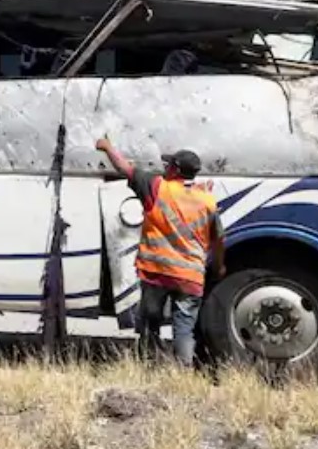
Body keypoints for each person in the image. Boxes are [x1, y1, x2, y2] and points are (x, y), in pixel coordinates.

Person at [96, 137, 226, 366]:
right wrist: (219, 266)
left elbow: (124, 168)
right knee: (184, 330)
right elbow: (218, 239)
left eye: (168, 165)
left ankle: (149, 366)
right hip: (190, 277)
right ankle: (182, 374)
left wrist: (107, 147)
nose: (165, 168)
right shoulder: (207, 200)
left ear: (175, 170)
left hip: (157, 273)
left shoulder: (158, 187)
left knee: (150, 324)